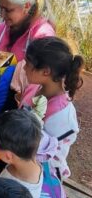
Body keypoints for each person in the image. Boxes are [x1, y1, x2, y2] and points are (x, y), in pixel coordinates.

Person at [22, 37, 84, 179]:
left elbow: (51, 156)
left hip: (38, 176)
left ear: (45, 71)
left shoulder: (62, 116)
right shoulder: (34, 88)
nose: (24, 68)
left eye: (28, 64)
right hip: (18, 163)